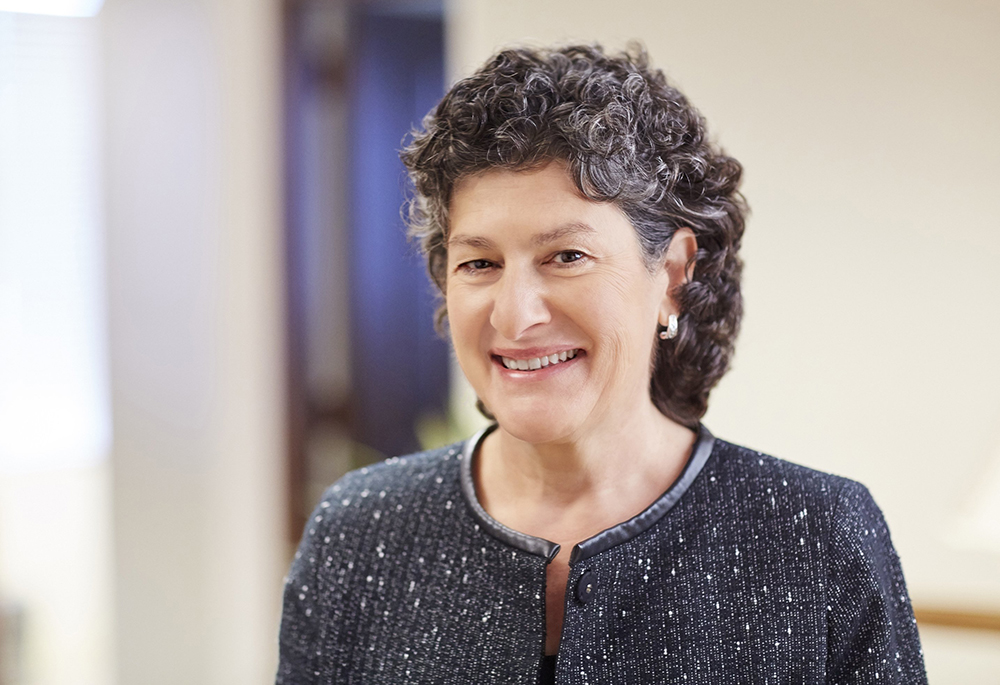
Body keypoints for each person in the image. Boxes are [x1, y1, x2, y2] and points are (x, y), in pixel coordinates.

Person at [276, 44, 928, 684]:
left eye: (566, 256)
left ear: (672, 274)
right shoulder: (359, 533)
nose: (514, 314)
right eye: (480, 262)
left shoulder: (816, 537)